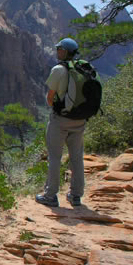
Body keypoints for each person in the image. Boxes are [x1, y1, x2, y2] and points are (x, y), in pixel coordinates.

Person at [35, 38, 87, 208]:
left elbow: (50, 97)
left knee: (54, 157)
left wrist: (57, 110)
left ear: (64, 51)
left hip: (60, 120)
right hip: (80, 120)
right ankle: (76, 196)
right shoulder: (84, 67)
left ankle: (50, 195)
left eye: (59, 48)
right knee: (77, 157)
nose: (57, 51)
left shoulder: (58, 70)